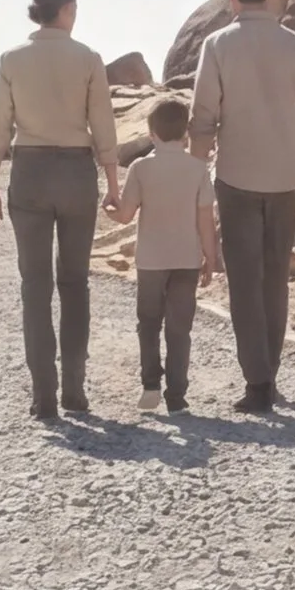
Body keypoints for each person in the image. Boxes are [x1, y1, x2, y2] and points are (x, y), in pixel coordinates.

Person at [187, 0, 295, 416]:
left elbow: (202, 119)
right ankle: (269, 371)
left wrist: (193, 180)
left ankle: (258, 381)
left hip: (236, 177)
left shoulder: (218, 44)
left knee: (244, 282)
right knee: (275, 281)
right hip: (286, 177)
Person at [0, 0, 121, 422]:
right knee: (75, 284)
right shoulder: (88, 59)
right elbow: (103, 126)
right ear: (67, 9)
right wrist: (114, 184)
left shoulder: (11, 60)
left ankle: (43, 394)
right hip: (77, 173)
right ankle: (75, 391)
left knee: (35, 286)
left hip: (30, 172)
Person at [113, 91, 218, 413]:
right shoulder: (197, 169)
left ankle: (150, 385)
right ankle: (177, 395)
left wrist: (108, 207)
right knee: (179, 328)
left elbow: (126, 215)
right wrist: (210, 258)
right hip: (186, 259)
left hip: (151, 260)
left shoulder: (141, 168)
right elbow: (205, 218)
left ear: (151, 133)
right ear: (186, 132)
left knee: (148, 323)